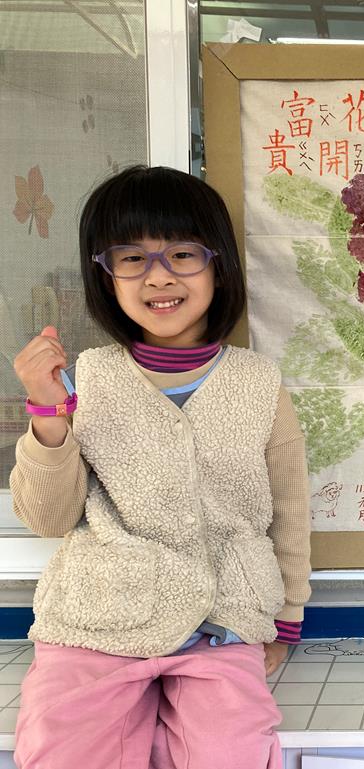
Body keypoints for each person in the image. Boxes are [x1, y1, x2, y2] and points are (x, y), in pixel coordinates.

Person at [10, 166, 311, 769]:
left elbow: (289, 505)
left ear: (219, 265)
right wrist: (47, 412)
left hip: (223, 620)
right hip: (97, 621)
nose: (159, 276)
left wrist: (287, 615)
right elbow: (49, 519)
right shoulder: (85, 379)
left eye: (182, 253)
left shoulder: (258, 383)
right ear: (106, 275)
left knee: (232, 754)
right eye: (132, 258)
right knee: (64, 755)